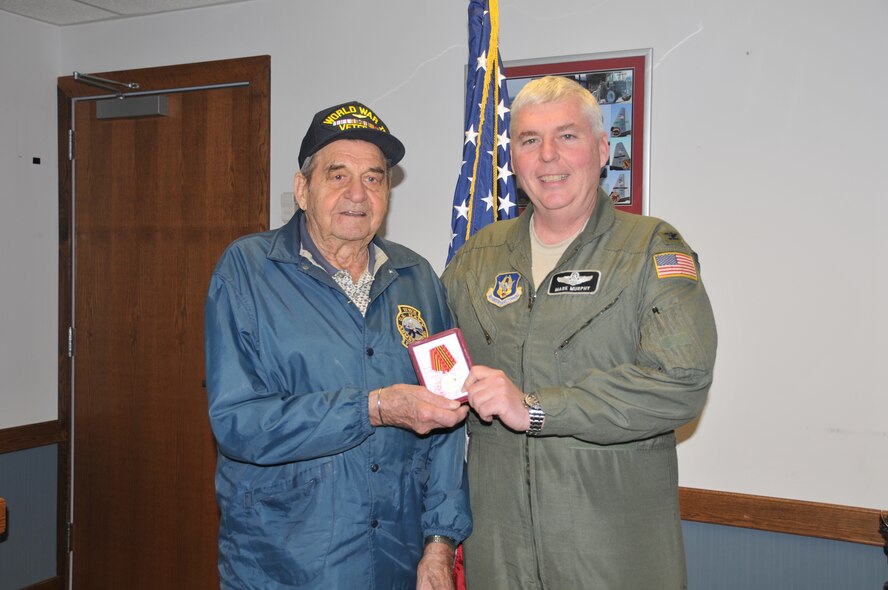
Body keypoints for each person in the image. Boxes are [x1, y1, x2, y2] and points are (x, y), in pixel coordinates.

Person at [441, 76, 717, 589]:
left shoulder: (651, 250)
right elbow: (430, 369)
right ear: (513, 160)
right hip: (498, 554)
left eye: (566, 136)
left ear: (601, 149)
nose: (548, 156)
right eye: (529, 140)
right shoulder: (476, 258)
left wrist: (538, 407)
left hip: (613, 554)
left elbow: (681, 382)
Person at [205, 100, 471, 590]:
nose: (357, 194)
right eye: (337, 176)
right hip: (284, 565)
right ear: (303, 189)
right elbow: (238, 423)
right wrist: (371, 408)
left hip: (398, 558)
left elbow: (449, 420)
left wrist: (440, 543)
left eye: (373, 178)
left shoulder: (418, 279)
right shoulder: (247, 271)